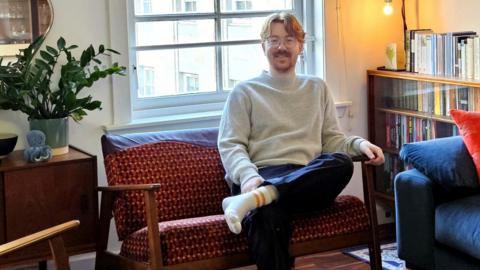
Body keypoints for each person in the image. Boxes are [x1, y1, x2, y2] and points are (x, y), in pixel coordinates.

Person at [217, 12, 384, 270]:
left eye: (289, 39)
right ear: (263, 47)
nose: (281, 47)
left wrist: (360, 145)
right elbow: (231, 145)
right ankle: (261, 196)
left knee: (340, 163)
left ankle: (263, 196)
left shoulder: (317, 88)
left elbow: (332, 140)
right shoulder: (244, 92)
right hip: (261, 175)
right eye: (273, 40)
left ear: (301, 46)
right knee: (267, 214)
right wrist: (248, 177)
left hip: (307, 179)